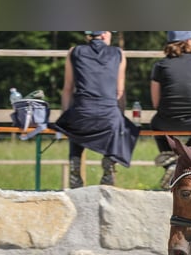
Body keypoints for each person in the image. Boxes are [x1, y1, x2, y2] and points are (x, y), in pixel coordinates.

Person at [54, 31, 139, 188]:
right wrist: (119, 119)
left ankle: (75, 162)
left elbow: (67, 89)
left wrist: (64, 120)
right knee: (119, 124)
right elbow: (120, 92)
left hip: (82, 113)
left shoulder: (74, 52)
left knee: (75, 120)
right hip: (109, 116)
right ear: (105, 35)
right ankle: (110, 161)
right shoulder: (119, 53)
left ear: (88, 36)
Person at [150, 31, 191, 188]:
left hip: (165, 122)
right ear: (188, 41)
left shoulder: (160, 65)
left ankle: (171, 163)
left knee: (155, 124)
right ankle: (186, 157)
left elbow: (155, 102)